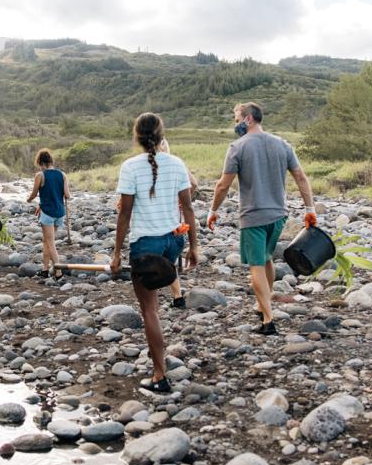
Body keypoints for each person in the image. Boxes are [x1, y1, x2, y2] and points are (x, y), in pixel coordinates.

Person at [110, 113, 199, 393]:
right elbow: (188, 208)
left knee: (150, 311)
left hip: (146, 246)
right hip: (173, 242)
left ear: (136, 136)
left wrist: (116, 254)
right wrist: (194, 246)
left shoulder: (130, 167)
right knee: (156, 303)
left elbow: (124, 215)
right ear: (162, 136)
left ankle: (160, 375)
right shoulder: (177, 164)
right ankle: (160, 365)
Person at [208, 102, 314, 335]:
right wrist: (310, 208)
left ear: (248, 119)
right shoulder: (282, 144)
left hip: (253, 216)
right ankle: (261, 303)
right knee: (266, 259)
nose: (235, 124)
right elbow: (300, 177)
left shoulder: (237, 147)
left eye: (237, 120)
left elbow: (223, 185)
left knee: (256, 265)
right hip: (278, 215)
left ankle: (268, 320)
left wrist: (213, 211)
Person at [158, 138, 199, 308]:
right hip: (173, 215)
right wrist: (181, 199)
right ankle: (177, 295)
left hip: (153, 215)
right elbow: (194, 183)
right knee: (170, 258)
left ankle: (151, 301)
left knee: (152, 256)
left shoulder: (145, 163)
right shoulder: (176, 163)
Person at [26, 148, 70, 277]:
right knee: (46, 240)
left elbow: (34, 193)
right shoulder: (62, 174)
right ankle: (45, 269)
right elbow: (67, 195)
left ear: (40, 162)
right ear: (51, 161)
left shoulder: (40, 175)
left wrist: (28, 200)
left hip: (47, 213)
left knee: (50, 243)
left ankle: (58, 270)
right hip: (59, 212)